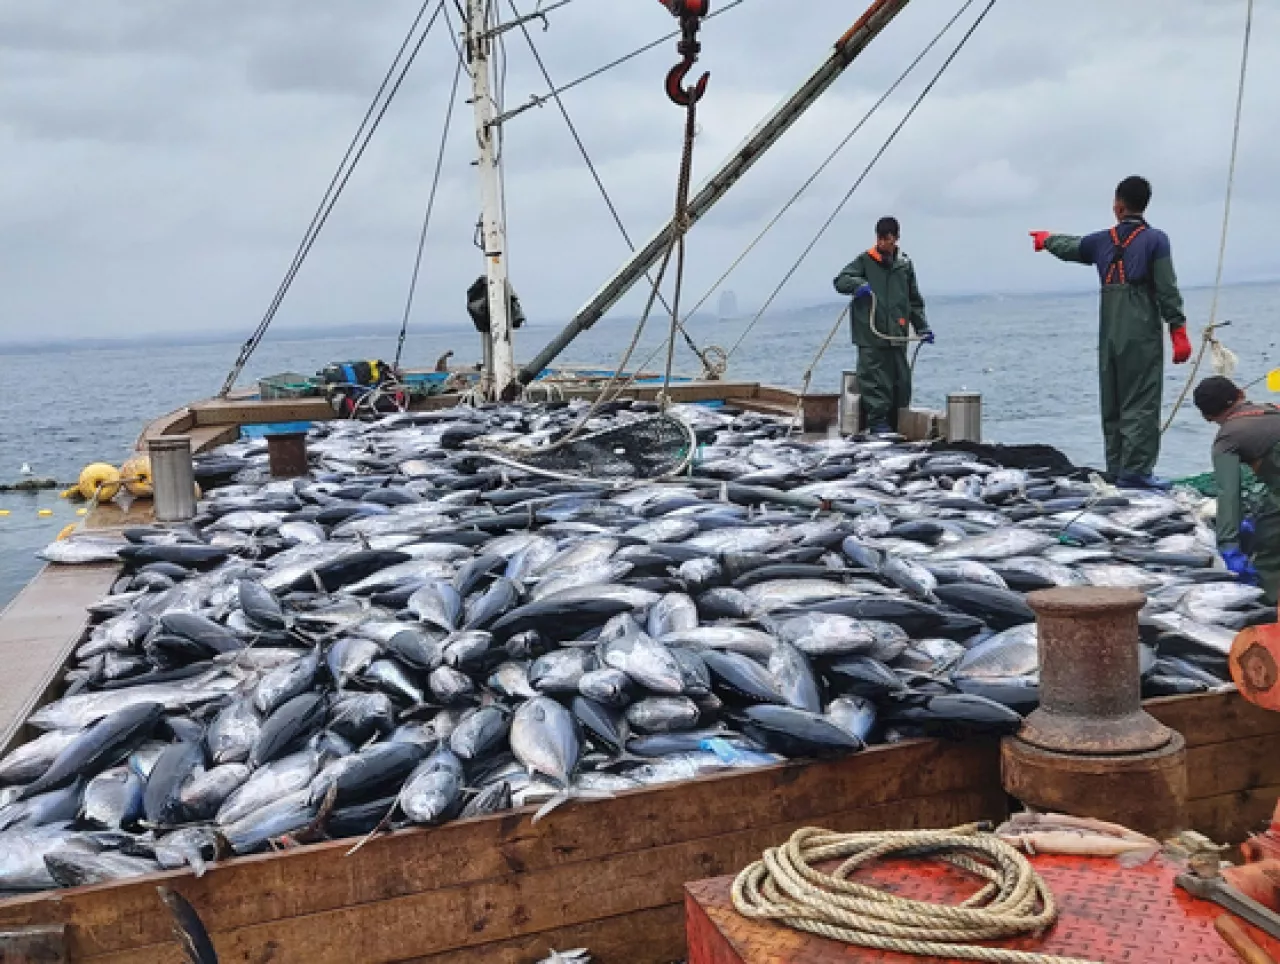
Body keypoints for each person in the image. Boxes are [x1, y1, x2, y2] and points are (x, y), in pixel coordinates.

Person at [1030, 176, 1193, 489]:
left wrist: (1046, 240)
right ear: (1144, 205)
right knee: (1141, 398)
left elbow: (1071, 247)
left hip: (1109, 328)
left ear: (1118, 206)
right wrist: (1178, 329)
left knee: (1113, 397)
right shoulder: (1157, 240)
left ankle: (1116, 468)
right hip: (1140, 324)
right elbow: (1166, 288)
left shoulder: (1101, 241)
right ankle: (1137, 472)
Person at [833, 216, 932, 434]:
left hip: (897, 333)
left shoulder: (904, 264)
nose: (884, 243)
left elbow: (914, 299)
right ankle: (877, 422)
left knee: (901, 380)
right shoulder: (865, 261)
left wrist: (922, 326)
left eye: (888, 239)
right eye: (881, 239)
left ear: (896, 238)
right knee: (874, 380)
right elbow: (840, 280)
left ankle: (897, 419)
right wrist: (858, 285)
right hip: (870, 334)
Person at [1193, 375, 1280, 606]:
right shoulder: (1272, 409)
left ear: (1207, 417)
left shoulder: (1226, 439)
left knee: (1269, 553)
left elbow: (1228, 494)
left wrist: (1228, 544)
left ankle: (1269, 610)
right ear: (1241, 393)